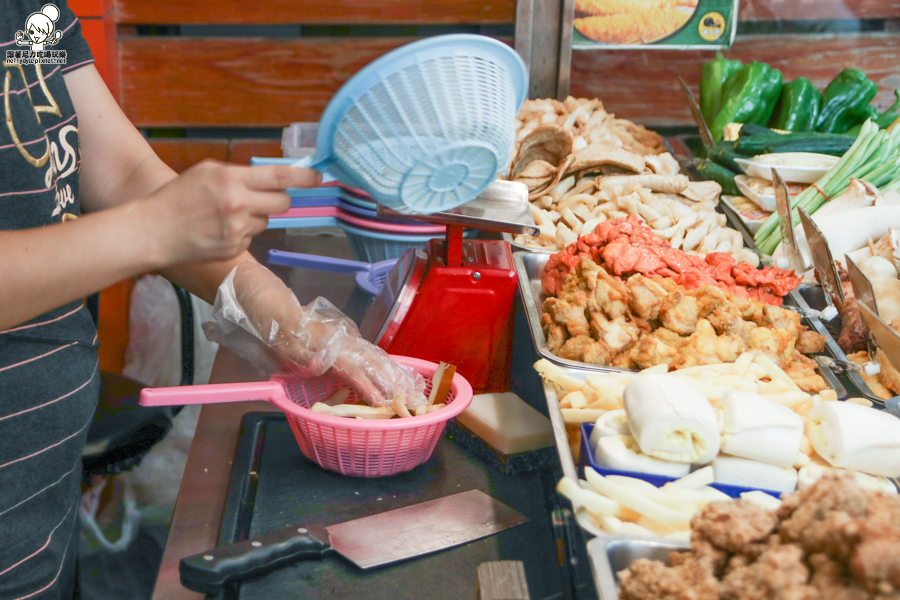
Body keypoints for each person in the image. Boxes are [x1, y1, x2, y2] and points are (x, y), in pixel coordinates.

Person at [1, 2, 417, 597]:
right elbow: (143, 215)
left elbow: (120, 175)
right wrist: (152, 228)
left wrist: (293, 326)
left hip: (41, 491)